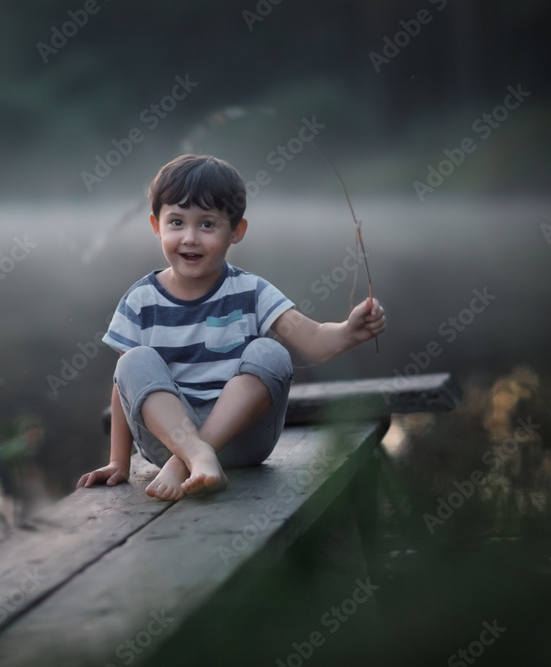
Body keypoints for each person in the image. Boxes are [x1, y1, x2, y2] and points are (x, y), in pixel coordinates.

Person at [76, 154, 385, 500]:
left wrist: (350, 330)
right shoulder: (141, 301)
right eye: (176, 222)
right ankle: (195, 454)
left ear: (236, 231)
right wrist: (118, 461)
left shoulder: (251, 292)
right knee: (131, 362)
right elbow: (125, 387)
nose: (190, 238)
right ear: (156, 226)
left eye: (207, 224)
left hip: (245, 441)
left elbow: (314, 341)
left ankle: (192, 457)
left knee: (270, 351)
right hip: (166, 441)